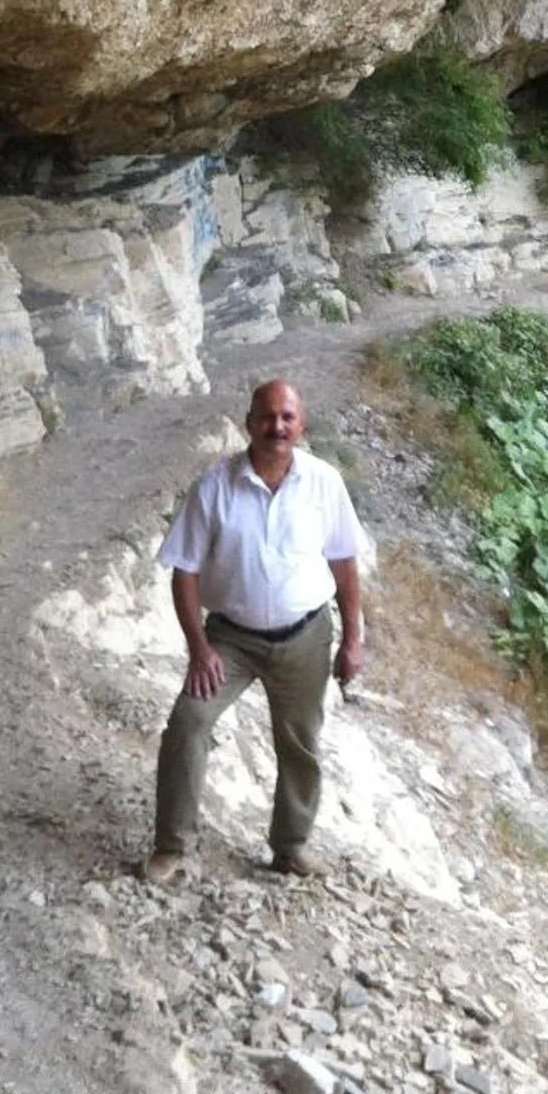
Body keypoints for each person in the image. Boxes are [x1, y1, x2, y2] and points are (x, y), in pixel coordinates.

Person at [143, 379, 366, 885]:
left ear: (301, 425)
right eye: (267, 417)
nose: (277, 427)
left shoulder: (324, 483)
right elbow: (185, 571)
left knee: (301, 743)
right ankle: (172, 846)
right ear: (249, 424)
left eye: (287, 418)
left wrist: (353, 638)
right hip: (231, 640)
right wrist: (199, 649)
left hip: (306, 636)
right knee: (188, 723)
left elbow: (344, 563)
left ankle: (290, 847)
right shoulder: (215, 487)